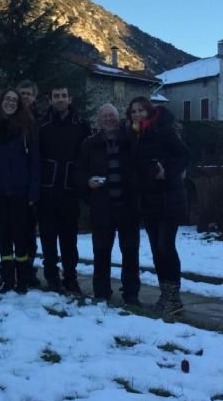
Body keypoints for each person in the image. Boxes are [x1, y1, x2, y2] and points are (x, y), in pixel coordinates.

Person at [129, 96, 191, 315]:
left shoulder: (162, 130)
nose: (137, 114)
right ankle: (166, 296)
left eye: (140, 110)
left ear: (149, 111)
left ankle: (174, 297)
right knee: (157, 250)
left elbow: (184, 155)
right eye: (133, 111)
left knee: (166, 246)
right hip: (149, 201)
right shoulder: (136, 136)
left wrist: (167, 170)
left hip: (169, 199)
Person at [75, 104, 140, 305]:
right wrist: (87, 182)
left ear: (118, 117)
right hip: (102, 207)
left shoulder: (130, 139)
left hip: (128, 206)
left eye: (112, 115)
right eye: (105, 116)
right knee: (101, 251)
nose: (109, 119)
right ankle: (101, 292)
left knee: (130, 251)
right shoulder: (90, 144)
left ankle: (131, 293)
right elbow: (79, 171)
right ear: (99, 120)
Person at [0, 88, 40, 293]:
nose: (10, 102)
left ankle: (22, 280)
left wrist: (33, 191)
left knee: (21, 236)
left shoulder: (26, 129)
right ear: (1, 101)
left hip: (20, 191)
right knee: (3, 236)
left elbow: (34, 162)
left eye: (14, 100)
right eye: (7, 99)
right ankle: (7, 279)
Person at [37, 86, 91, 293]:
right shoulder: (42, 125)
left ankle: (70, 277)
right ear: (50, 100)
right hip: (47, 191)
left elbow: (86, 158)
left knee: (70, 239)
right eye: (56, 96)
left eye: (63, 96)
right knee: (48, 238)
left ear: (70, 99)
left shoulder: (82, 125)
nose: (60, 99)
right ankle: (51, 276)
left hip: (70, 191)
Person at [16, 79, 43, 288]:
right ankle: (14, 269)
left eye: (29, 94)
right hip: (12, 184)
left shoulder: (40, 120)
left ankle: (28, 270)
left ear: (35, 97)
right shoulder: (7, 117)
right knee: (12, 231)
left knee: (29, 232)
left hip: (32, 184)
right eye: (22, 93)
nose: (25, 97)